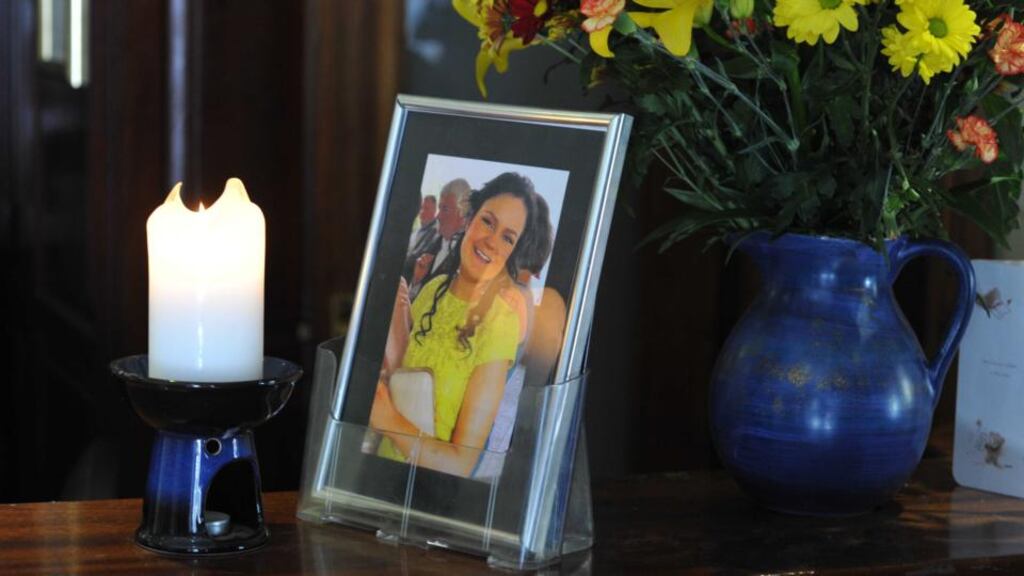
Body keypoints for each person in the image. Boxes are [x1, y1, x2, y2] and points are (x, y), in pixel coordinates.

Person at [371, 172, 554, 477]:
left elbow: (461, 464)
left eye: (507, 237)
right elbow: (404, 373)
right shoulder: (434, 288)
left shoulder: (502, 321)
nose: (492, 241)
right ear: (470, 219)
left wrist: (388, 421)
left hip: (430, 494)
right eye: (488, 222)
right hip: (383, 471)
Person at [402, 179, 470, 290]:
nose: (438, 216)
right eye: (440, 208)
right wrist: (416, 281)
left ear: (462, 215)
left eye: (445, 209)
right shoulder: (433, 244)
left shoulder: (465, 258)